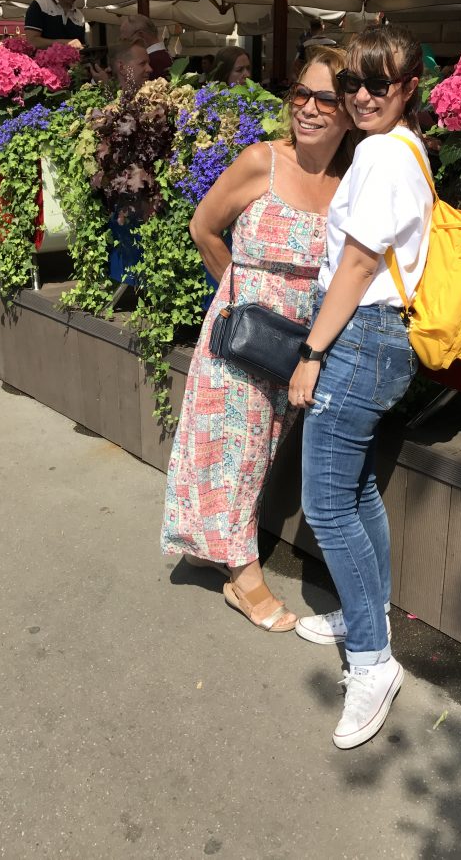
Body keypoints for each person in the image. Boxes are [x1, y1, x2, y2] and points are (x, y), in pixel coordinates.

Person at [161, 47, 354, 632]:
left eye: (326, 99)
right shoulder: (261, 161)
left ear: (349, 111)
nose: (309, 108)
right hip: (245, 333)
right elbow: (203, 227)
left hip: (301, 343)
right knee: (232, 445)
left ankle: (208, 545)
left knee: (259, 448)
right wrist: (240, 299)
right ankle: (243, 578)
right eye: (302, 94)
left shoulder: (350, 181)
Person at [289, 25, 433, 749]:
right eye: (353, 83)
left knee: (325, 502)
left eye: (380, 84)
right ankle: (365, 614)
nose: (363, 97)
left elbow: (355, 266)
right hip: (384, 339)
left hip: (357, 337)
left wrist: (312, 352)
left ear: (409, 87)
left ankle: (374, 663)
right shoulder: (409, 148)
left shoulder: (379, 153)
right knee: (354, 492)